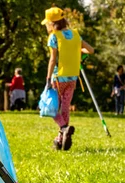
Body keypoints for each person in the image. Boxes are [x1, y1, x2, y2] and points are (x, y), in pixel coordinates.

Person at [42, 7, 94, 151]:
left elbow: (53, 60)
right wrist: (77, 51)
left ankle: (64, 128)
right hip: (72, 77)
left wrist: (48, 78)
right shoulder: (75, 34)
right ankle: (60, 139)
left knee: (50, 108)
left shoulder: (54, 36)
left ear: (52, 23)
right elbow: (90, 50)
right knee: (65, 108)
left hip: (59, 77)